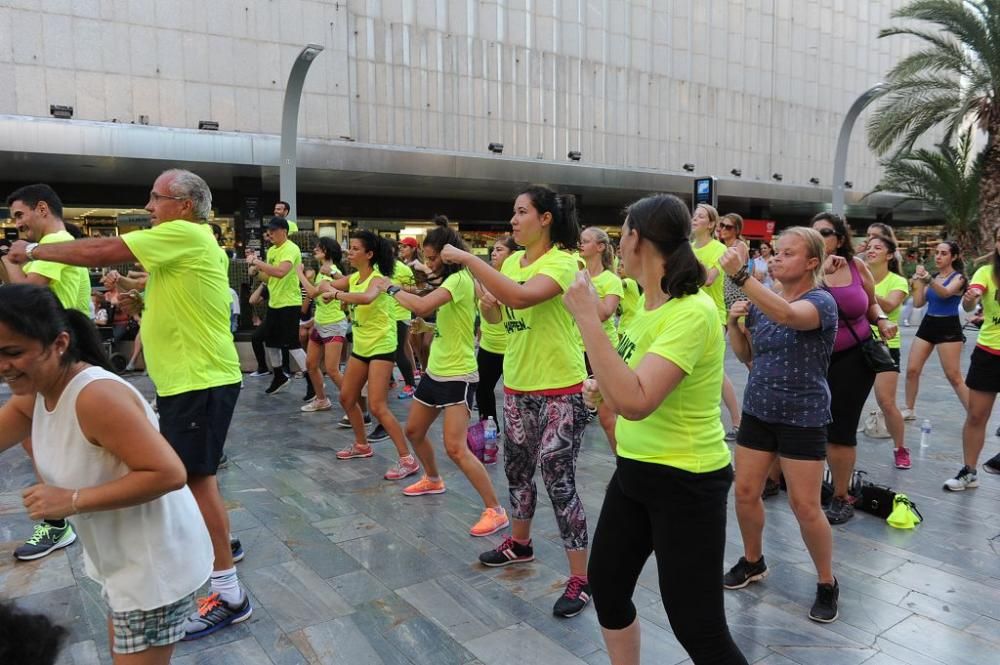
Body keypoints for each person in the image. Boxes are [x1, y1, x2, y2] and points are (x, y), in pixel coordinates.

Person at [5, 169, 251, 638]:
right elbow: (169, 303)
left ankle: (229, 591)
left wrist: (33, 251)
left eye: (155, 199)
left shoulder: (185, 233)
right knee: (195, 478)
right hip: (189, 379)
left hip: (199, 379)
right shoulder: (185, 245)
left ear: (182, 204)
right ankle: (219, 544)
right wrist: (136, 295)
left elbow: (102, 249)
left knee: (195, 479)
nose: (149, 207)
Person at [565, 194, 748, 663]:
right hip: (635, 472)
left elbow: (638, 401)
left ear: (636, 239)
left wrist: (586, 317)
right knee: (606, 586)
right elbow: (629, 382)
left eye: (621, 233)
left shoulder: (691, 311)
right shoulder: (646, 307)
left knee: (697, 627)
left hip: (687, 481)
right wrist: (601, 385)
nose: (616, 245)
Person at [0, 284, 214, 664]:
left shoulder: (94, 396)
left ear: (59, 343)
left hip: (153, 566)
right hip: (121, 559)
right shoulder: (37, 392)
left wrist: (71, 500)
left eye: (13, 353)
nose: (3, 366)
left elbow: (168, 472)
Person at [440, 185, 591, 619]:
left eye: (521, 211)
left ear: (545, 218)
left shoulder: (564, 261)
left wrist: (470, 260)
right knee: (517, 469)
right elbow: (501, 318)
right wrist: (489, 305)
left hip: (561, 388)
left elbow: (524, 297)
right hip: (519, 386)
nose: (514, 219)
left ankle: (580, 578)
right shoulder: (511, 263)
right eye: (513, 212)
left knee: (557, 477)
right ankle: (520, 544)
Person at [719, 228, 840, 623]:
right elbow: (747, 355)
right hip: (759, 409)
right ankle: (753, 561)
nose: (776, 259)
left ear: (811, 263)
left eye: (788, 254)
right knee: (746, 491)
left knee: (804, 506)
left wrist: (741, 278)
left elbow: (788, 316)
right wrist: (735, 325)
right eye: (775, 253)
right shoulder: (762, 300)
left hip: (803, 415)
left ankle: (827, 581)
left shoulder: (821, 302)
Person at [377, 225, 510, 536]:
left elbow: (423, 304)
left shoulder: (461, 279)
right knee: (414, 430)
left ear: (449, 255)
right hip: (436, 370)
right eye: (427, 257)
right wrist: (429, 328)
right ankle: (433, 479)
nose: (430, 263)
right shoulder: (453, 280)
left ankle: (496, 510)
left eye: (434, 258)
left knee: (456, 447)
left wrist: (391, 288)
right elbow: (446, 318)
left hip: (459, 374)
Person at [2, 184, 92, 561]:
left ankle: (59, 519)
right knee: (33, 436)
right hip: (52, 361)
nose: (17, 224)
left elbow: (28, 296)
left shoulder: (57, 242)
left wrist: (9, 260)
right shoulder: (49, 249)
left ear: (42, 209)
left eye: (20, 215)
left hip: (59, 362)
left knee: (36, 436)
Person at [811, 213, 896, 525]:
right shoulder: (804, 270)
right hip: (813, 360)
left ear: (840, 238)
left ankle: (840, 495)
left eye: (825, 232)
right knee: (810, 427)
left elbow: (871, 304)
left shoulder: (856, 267)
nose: (818, 236)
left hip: (853, 358)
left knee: (841, 428)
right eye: (814, 231)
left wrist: (883, 320)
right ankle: (809, 483)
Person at [317, 231, 420, 480]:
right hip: (362, 346)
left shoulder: (379, 278)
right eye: (349, 248)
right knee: (346, 397)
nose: (349, 252)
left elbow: (366, 298)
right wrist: (326, 285)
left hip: (382, 346)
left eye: (354, 249)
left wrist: (337, 295)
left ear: (369, 254)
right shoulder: (353, 277)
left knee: (377, 405)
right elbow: (323, 286)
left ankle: (408, 459)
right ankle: (362, 445)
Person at [945, 226, 1000, 490]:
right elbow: (969, 302)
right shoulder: (986, 273)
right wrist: (969, 300)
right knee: (977, 416)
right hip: (988, 354)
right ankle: (969, 471)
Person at [691, 204, 742, 441]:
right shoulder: (689, 248)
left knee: (716, 371)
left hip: (713, 315)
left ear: (711, 224)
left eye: (700, 216)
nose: (695, 219)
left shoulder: (719, 249)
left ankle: (737, 421)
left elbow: (708, 280)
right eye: (694, 215)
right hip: (689, 314)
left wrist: (687, 265)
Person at [903, 241, 970, 420]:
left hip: (948, 326)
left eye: (944, 253)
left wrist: (927, 279)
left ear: (953, 257)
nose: (938, 256)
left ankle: (975, 413)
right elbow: (918, 303)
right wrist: (916, 283)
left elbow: (946, 293)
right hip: (929, 323)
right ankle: (909, 409)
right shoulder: (932, 277)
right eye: (937, 253)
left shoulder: (959, 278)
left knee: (953, 376)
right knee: (912, 370)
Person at [246, 217, 307, 396]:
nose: (270, 234)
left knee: (292, 344)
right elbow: (269, 276)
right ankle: (279, 375)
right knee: (269, 339)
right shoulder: (272, 250)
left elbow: (281, 272)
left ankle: (312, 379)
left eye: (273, 231)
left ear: (284, 231)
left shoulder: (291, 248)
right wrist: (257, 272)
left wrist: (257, 263)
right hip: (275, 303)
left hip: (289, 303)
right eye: (269, 231)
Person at [865, 234, 911, 469]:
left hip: (886, 347)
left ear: (890, 255)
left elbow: (891, 305)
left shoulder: (898, 281)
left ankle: (900, 448)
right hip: (858, 343)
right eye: (869, 247)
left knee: (886, 401)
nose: (871, 250)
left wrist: (863, 288)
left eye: (878, 248)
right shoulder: (860, 276)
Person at [579, 226, 624, 448]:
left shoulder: (611, 280)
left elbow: (604, 313)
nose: (581, 244)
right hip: (576, 349)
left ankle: (623, 462)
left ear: (600, 247)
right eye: (581, 241)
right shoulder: (574, 275)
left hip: (602, 351)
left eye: (586, 241)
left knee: (607, 418)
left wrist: (586, 284)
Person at [295, 237, 347, 413]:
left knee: (332, 369)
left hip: (333, 324)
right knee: (311, 364)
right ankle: (321, 400)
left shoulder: (330, 270)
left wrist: (299, 273)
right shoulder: (323, 270)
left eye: (320, 247)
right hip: (320, 323)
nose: (315, 249)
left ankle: (355, 403)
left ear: (328, 250)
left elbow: (311, 293)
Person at [475, 235, 518, 424]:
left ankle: (517, 431)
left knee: (515, 396)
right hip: (488, 346)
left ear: (512, 254)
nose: (494, 252)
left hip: (511, 347)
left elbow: (497, 302)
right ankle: (489, 429)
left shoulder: (516, 279)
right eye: (494, 249)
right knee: (482, 389)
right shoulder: (485, 277)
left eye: (500, 250)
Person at [391, 240, 419, 399]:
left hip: (401, 315)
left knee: (398, 351)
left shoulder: (403, 268)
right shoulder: (378, 268)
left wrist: (397, 287)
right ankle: (389, 380)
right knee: (386, 350)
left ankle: (410, 384)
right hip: (385, 316)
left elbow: (414, 289)